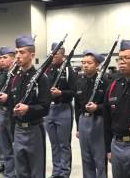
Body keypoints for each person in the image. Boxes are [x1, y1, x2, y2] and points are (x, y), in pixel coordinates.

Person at [10, 35, 51, 178]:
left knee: (36, 171)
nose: (17, 56)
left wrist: (29, 109)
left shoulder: (41, 79)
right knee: (21, 171)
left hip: (34, 130)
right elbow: (12, 106)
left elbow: (45, 108)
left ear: (32, 55)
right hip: (18, 129)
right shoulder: (15, 78)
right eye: (16, 52)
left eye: (22, 52)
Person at [75, 50, 109, 178]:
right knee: (86, 157)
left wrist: (97, 107)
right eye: (83, 62)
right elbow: (77, 106)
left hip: (99, 121)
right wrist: (78, 127)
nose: (85, 65)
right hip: (84, 120)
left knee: (100, 157)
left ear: (97, 65)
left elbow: (109, 106)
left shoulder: (105, 81)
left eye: (89, 63)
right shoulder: (80, 81)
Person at [45, 43, 77, 178]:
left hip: (63, 108)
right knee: (54, 143)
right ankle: (56, 170)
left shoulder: (70, 70)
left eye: (56, 54)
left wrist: (61, 93)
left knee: (64, 143)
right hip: (50, 110)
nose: (52, 56)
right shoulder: (47, 70)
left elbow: (74, 92)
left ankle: (64, 172)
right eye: (51, 54)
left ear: (63, 56)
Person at [104, 39, 130, 178]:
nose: (122, 61)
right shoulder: (113, 86)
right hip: (116, 145)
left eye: (127, 58)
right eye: (120, 58)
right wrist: (108, 149)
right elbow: (107, 120)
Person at [0, 46, 17, 178]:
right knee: (5, 146)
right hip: (2, 112)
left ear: (13, 59)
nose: (1, 60)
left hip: (12, 114)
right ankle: (9, 172)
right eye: (0, 58)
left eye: (4, 57)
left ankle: (16, 172)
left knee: (14, 145)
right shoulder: (2, 76)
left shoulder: (17, 75)